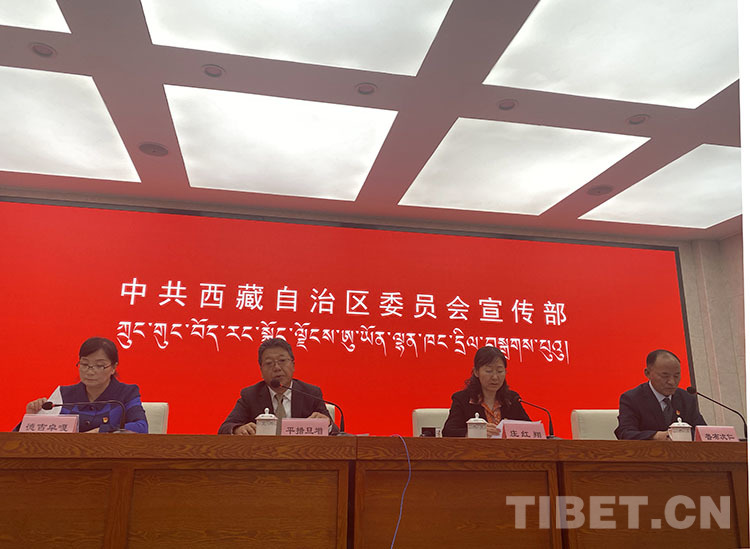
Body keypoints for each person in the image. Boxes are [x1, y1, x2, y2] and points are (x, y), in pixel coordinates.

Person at [21, 337, 148, 433]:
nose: (90, 371)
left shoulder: (126, 393)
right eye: (85, 364)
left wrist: (101, 431)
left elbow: (141, 427)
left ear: (113, 367)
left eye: (99, 365)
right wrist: (32, 417)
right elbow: (39, 434)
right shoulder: (63, 394)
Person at [218, 337, 336, 435]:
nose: (277, 368)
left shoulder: (310, 393)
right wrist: (238, 429)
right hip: (263, 455)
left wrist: (327, 424)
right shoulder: (250, 395)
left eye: (282, 361)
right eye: (269, 363)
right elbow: (225, 428)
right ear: (261, 370)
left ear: (293, 365)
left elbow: (336, 432)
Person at [615, 349, 706, 440]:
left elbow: (703, 433)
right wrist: (656, 436)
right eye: (665, 376)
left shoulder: (686, 398)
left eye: (676, 376)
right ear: (647, 373)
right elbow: (625, 433)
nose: (672, 382)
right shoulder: (632, 399)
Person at [443, 346, 530, 437]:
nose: (495, 377)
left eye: (500, 371)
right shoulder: (462, 399)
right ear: (476, 372)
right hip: (475, 446)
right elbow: (448, 432)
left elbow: (530, 430)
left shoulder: (512, 399)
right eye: (489, 371)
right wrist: (474, 432)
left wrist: (513, 428)